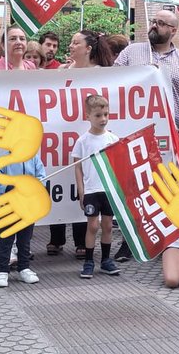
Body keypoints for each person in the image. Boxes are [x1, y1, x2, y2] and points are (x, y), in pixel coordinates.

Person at [48, 30, 112, 256]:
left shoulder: (102, 74)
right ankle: (55, 239)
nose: (71, 46)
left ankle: (81, 243)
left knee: (84, 187)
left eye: (76, 42)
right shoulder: (60, 71)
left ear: (88, 48)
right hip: (60, 137)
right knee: (58, 180)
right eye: (71, 42)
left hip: (90, 141)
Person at [113, 10, 179, 149]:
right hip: (132, 132)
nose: (154, 26)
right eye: (153, 22)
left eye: (160, 23)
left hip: (172, 134)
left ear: (173, 30)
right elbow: (112, 82)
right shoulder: (130, 52)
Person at [73, 95, 121, 278]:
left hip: (108, 189)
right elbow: (77, 167)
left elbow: (118, 165)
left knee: (108, 225)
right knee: (92, 226)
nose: (103, 119)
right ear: (88, 117)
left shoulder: (113, 139)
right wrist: (81, 190)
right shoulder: (82, 141)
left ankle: (106, 260)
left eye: (106, 114)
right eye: (98, 115)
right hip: (92, 189)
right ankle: (89, 261)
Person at [0, 152, 46, 288]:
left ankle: (24, 268)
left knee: (25, 238)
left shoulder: (33, 158)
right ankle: (3, 270)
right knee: (6, 238)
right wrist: (9, 187)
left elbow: (42, 177)